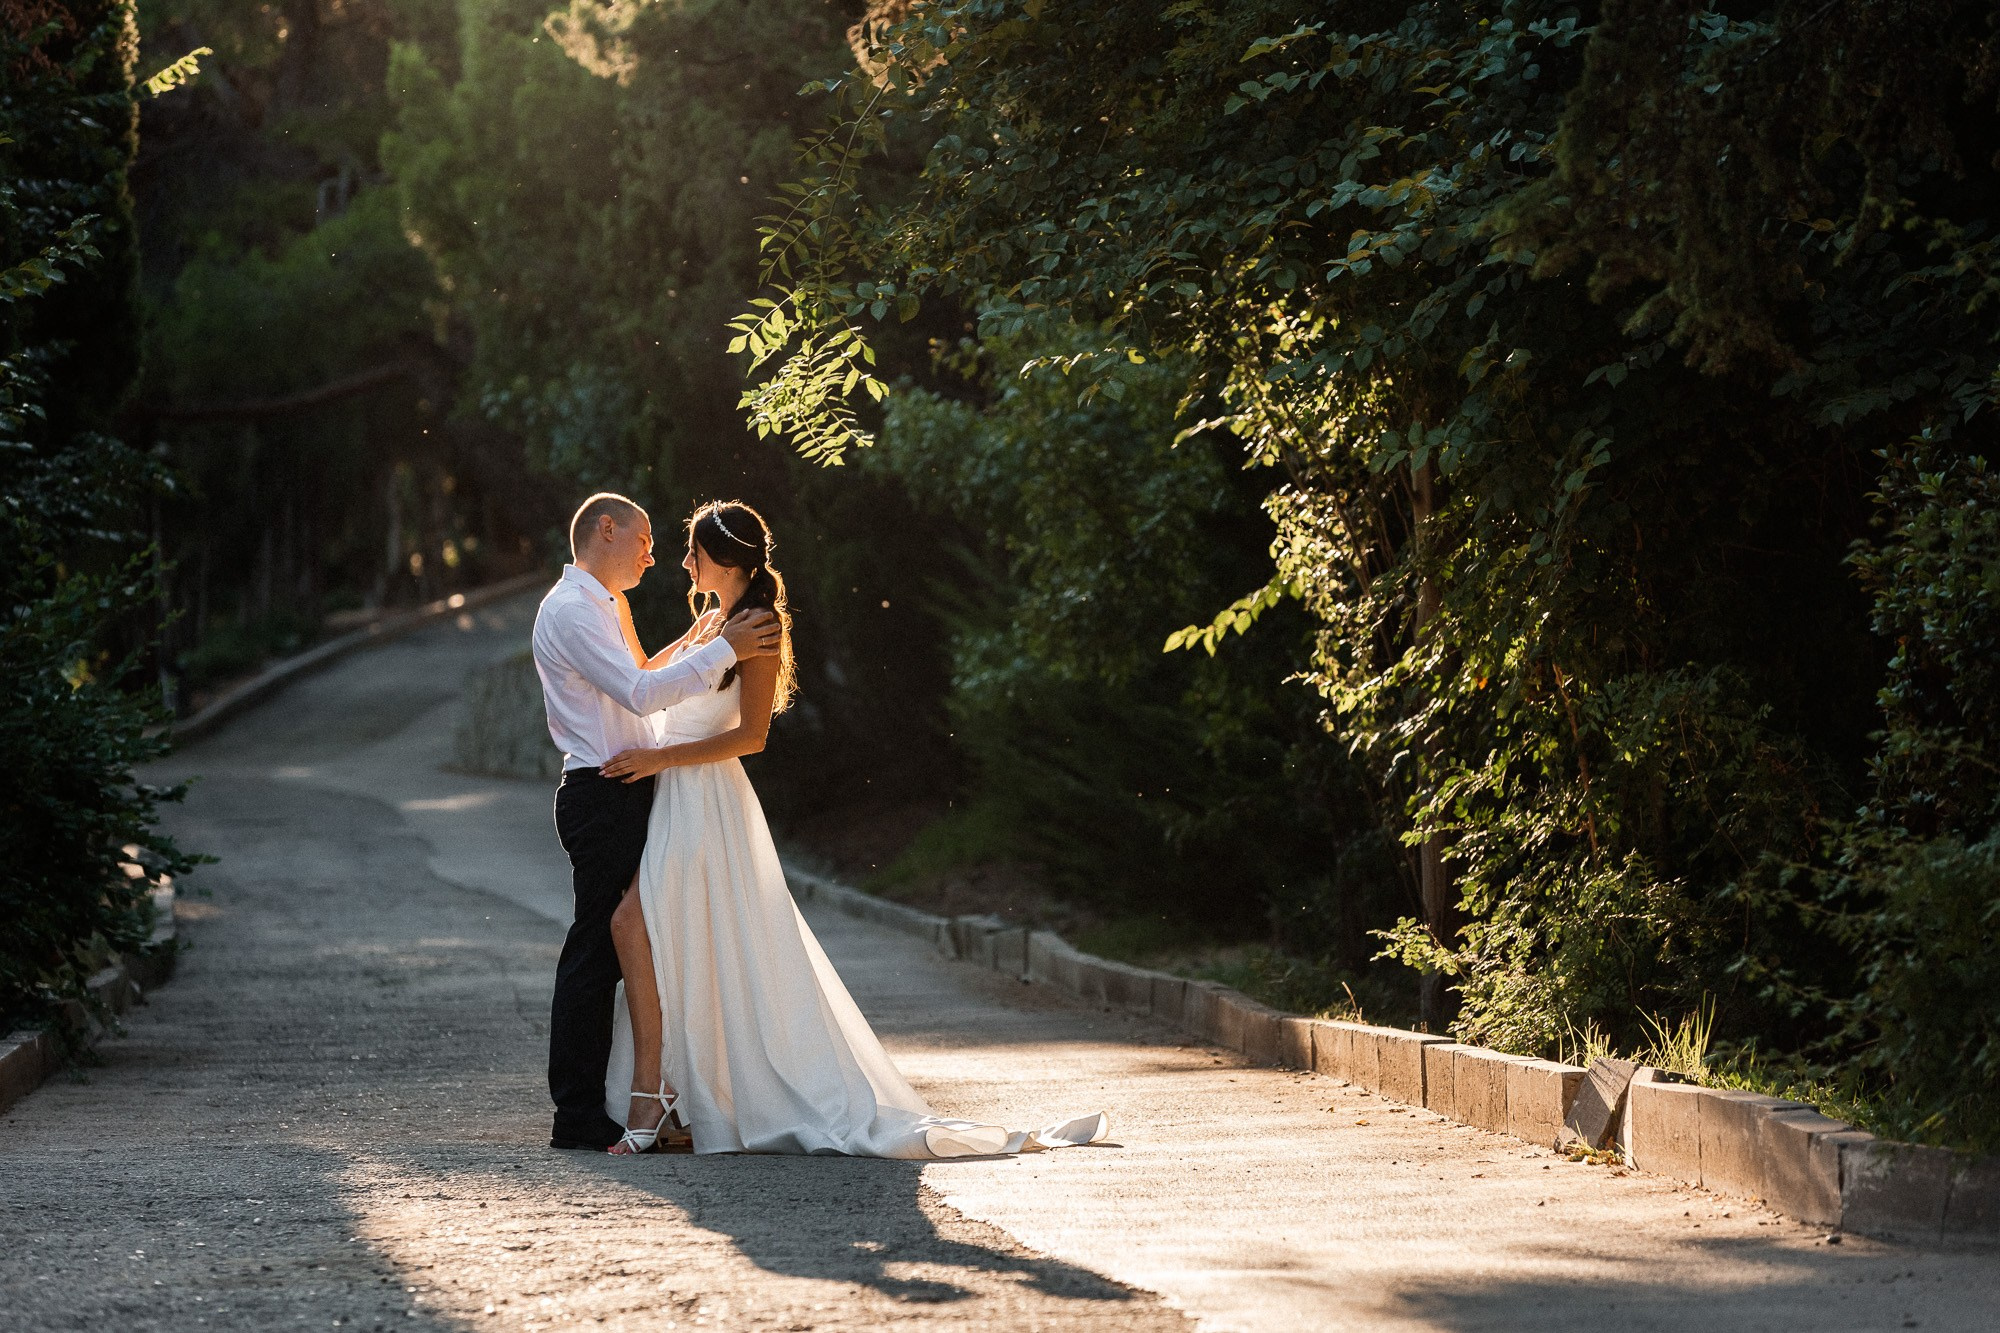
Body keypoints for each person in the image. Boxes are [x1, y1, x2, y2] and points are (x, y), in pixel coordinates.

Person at [596, 499, 1109, 1157]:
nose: (684, 560)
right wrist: (620, 608)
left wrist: (656, 758)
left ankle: (656, 1098)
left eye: (693, 550)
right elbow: (644, 678)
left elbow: (750, 736)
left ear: (723, 558)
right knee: (676, 939)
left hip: (705, 801)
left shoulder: (757, 626)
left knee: (636, 925)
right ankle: (676, 1096)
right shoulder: (710, 621)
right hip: (675, 798)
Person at [532, 492, 781, 1151]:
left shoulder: (608, 605)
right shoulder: (570, 610)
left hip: (644, 787)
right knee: (600, 944)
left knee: (643, 942)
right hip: (606, 788)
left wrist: (704, 637)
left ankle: (660, 1094)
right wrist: (721, 647)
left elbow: (644, 672)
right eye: (643, 539)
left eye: (674, 546)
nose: (655, 554)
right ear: (605, 530)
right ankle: (581, 1111)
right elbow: (641, 694)